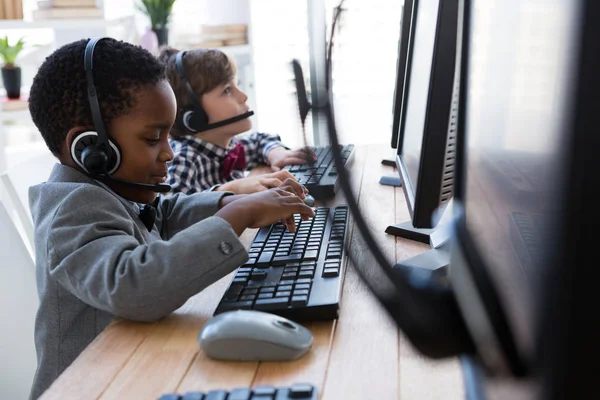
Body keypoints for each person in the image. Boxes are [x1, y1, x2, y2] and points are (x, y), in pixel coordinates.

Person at [26, 37, 314, 399]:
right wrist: (237, 215)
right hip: (90, 386)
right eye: (152, 139)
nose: (168, 153)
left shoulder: (108, 191)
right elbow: (133, 285)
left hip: (134, 369)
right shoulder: (71, 209)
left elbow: (161, 214)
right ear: (91, 149)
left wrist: (231, 200)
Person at [158, 47, 316, 195]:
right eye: (227, 90)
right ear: (194, 117)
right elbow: (171, 209)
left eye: (237, 84)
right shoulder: (183, 158)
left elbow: (259, 141)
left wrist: (276, 153)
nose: (243, 96)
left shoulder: (226, 144)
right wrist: (230, 189)